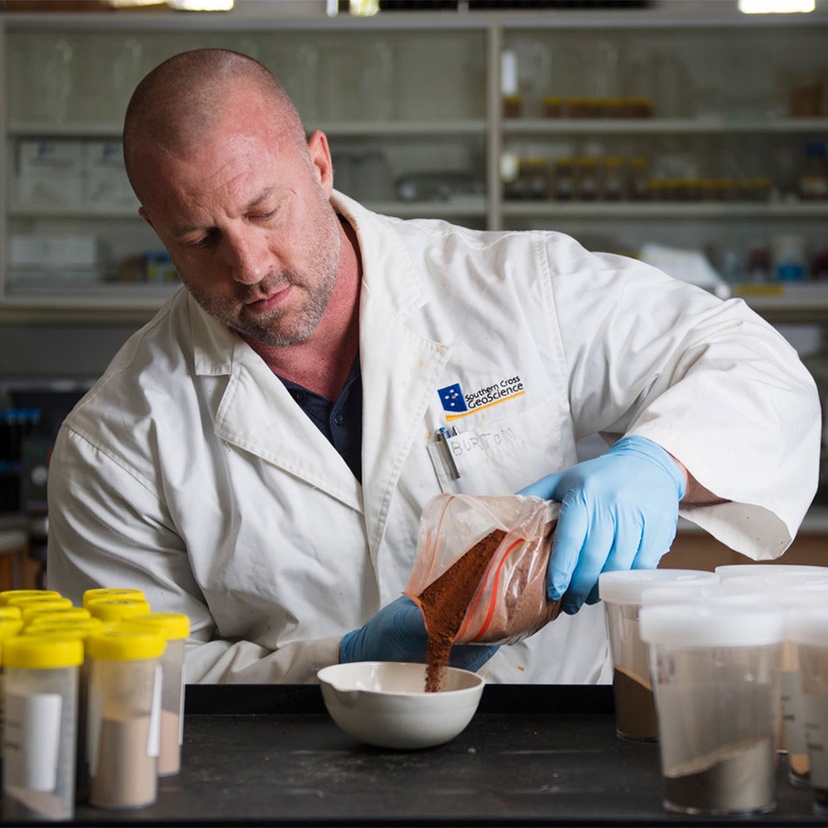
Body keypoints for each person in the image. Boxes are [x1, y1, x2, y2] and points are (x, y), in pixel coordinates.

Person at [47, 48, 820, 685]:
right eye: (197, 237)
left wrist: (658, 463)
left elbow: (755, 364)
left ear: (319, 164)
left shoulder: (517, 287)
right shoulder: (116, 439)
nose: (249, 266)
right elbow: (135, 679)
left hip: (560, 753)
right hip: (305, 780)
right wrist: (345, 662)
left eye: (262, 212)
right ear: (154, 228)